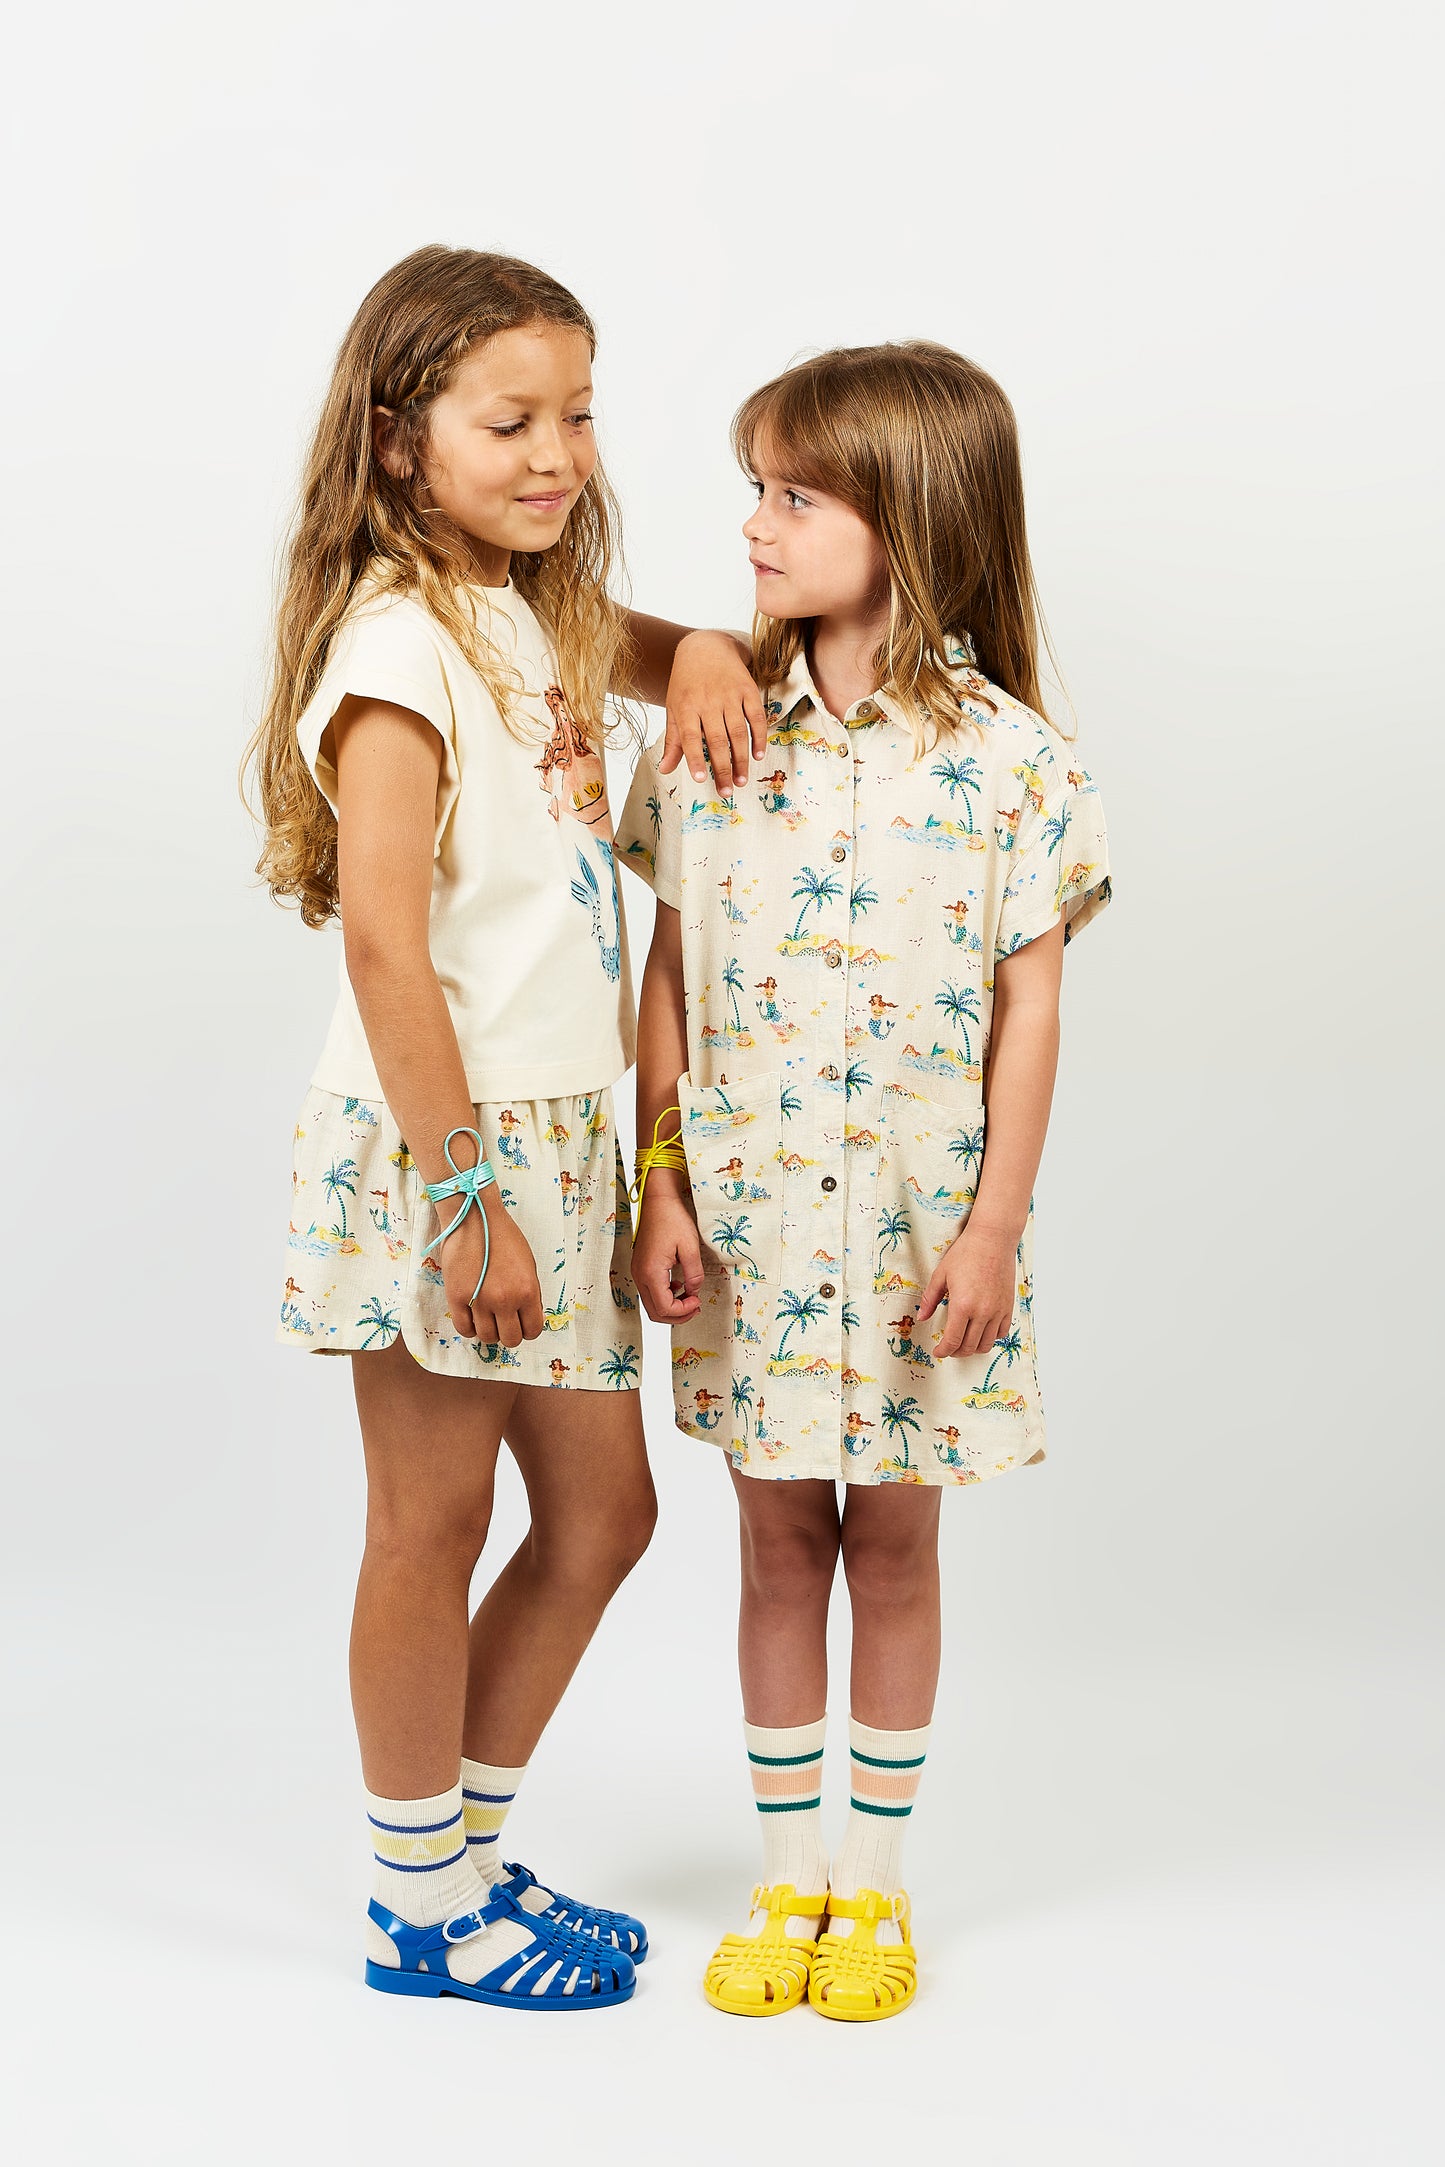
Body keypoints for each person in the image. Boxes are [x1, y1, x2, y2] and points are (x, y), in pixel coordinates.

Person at [246, 244, 761, 2010]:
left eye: (579, 415)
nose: (557, 455)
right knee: (432, 1521)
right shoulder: (398, 646)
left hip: (558, 1135)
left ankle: (460, 1853)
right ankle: (419, 1907)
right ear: (401, 440)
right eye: (509, 421)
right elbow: (384, 944)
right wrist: (467, 1192)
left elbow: (653, 647)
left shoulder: (524, 606)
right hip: (443, 1145)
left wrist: (705, 648)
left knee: (602, 1518)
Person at [618, 342, 1112, 2021]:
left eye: (793, 496)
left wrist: (993, 1230)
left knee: (892, 1558)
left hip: (919, 1237)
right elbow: (668, 975)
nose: (754, 526)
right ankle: (787, 1880)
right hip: (752, 1230)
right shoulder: (709, 737)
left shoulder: (1014, 764)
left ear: (908, 519)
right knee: (773, 1553)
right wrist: (662, 1188)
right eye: (752, 491)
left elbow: (1031, 1012)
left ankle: (875, 1891)